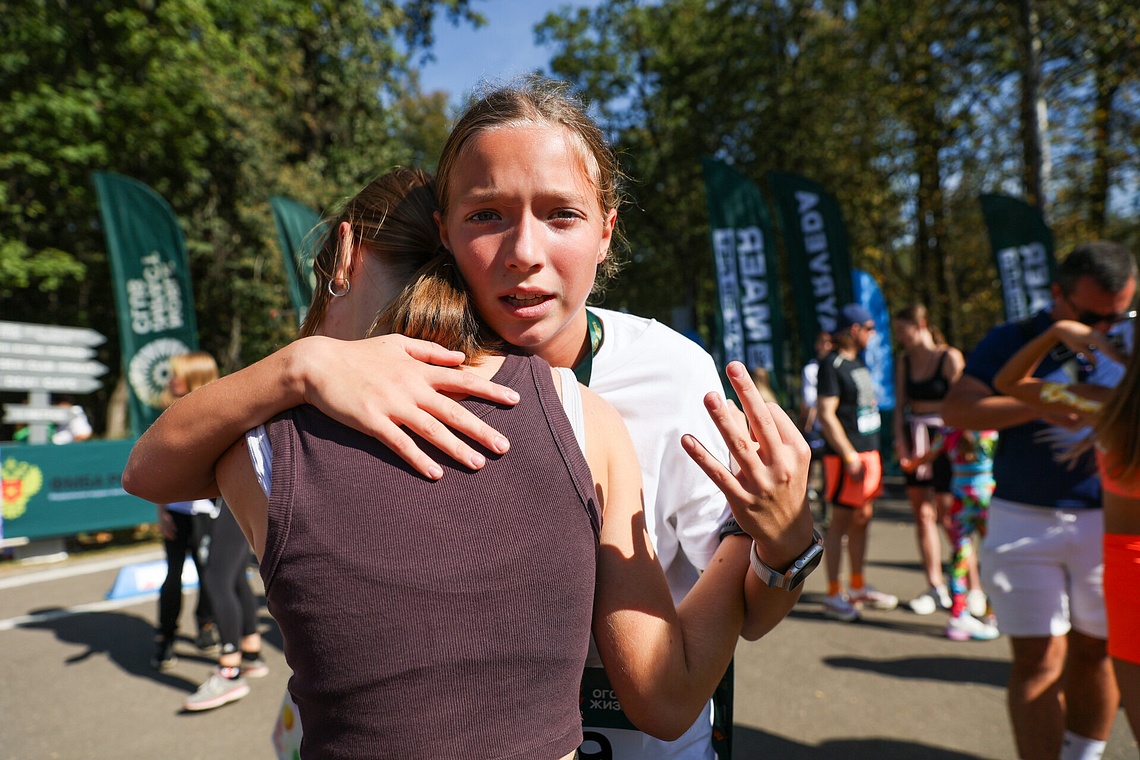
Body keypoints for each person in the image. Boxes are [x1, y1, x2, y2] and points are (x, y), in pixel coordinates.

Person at [123, 80, 814, 760]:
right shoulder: (356, 398)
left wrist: (783, 546)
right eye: (487, 215)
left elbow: (745, 618)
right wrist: (303, 365)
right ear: (444, 232)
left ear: (606, 230)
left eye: (562, 215)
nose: (524, 251)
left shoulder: (674, 376)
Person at [943, 240, 1137, 760]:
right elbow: (959, 411)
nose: (1107, 329)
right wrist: (1040, 405)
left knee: (1098, 653)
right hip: (1023, 516)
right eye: (1094, 316)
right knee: (1037, 658)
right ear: (1058, 294)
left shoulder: (1128, 345)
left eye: (1122, 315)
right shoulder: (1015, 337)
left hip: (1110, 527)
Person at [892, 304, 984, 617]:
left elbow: (964, 400)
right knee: (923, 515)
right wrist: (902, 445)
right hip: (916, 437)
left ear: (920, 326)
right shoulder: (904, 362)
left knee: (951, 517)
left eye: (902, 330)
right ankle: (935, 586)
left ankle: (973, 587)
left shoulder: (949, 357)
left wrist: (962, 443)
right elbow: (900, 406)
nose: (899, 337)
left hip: (948, 441)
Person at [817, 303, 898, 621]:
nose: (872, 334)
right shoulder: (831, 364)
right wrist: (849, 454)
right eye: (869, 328)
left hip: (869, 453)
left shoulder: (858, 362)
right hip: (845, 458)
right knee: (839, 523)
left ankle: (858, 585)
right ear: (854, 330)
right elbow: (826, 414)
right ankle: (834, 593)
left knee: (863, 519)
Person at [151, 352, 221, 670]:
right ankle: (165, 638)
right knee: (173, 576)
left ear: (193, 376)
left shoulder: (215, 409)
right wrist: (161, 510)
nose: (170, 380)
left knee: (210, 576)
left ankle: (206, 625)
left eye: (176, 374)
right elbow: (155, 468)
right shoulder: (165, 414)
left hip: (207, 512)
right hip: (176, 511)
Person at [901, 426, 1001, 640]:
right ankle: (992, 613)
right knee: (992, 555)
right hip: (987, 501)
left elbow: (926, 457)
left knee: (959, 557)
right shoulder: (991, 433)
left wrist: (910, 465)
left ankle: (958, 612)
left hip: (961, 504)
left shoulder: (948, 435)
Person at [800, 332, 832, 517]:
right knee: (809, 467)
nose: (826, 346)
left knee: (830, 475)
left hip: (833, 431)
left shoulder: (837, 366)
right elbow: (809, 401)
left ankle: (827, 515)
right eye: (823, 342)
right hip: (817, 430)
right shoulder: (811, 369)